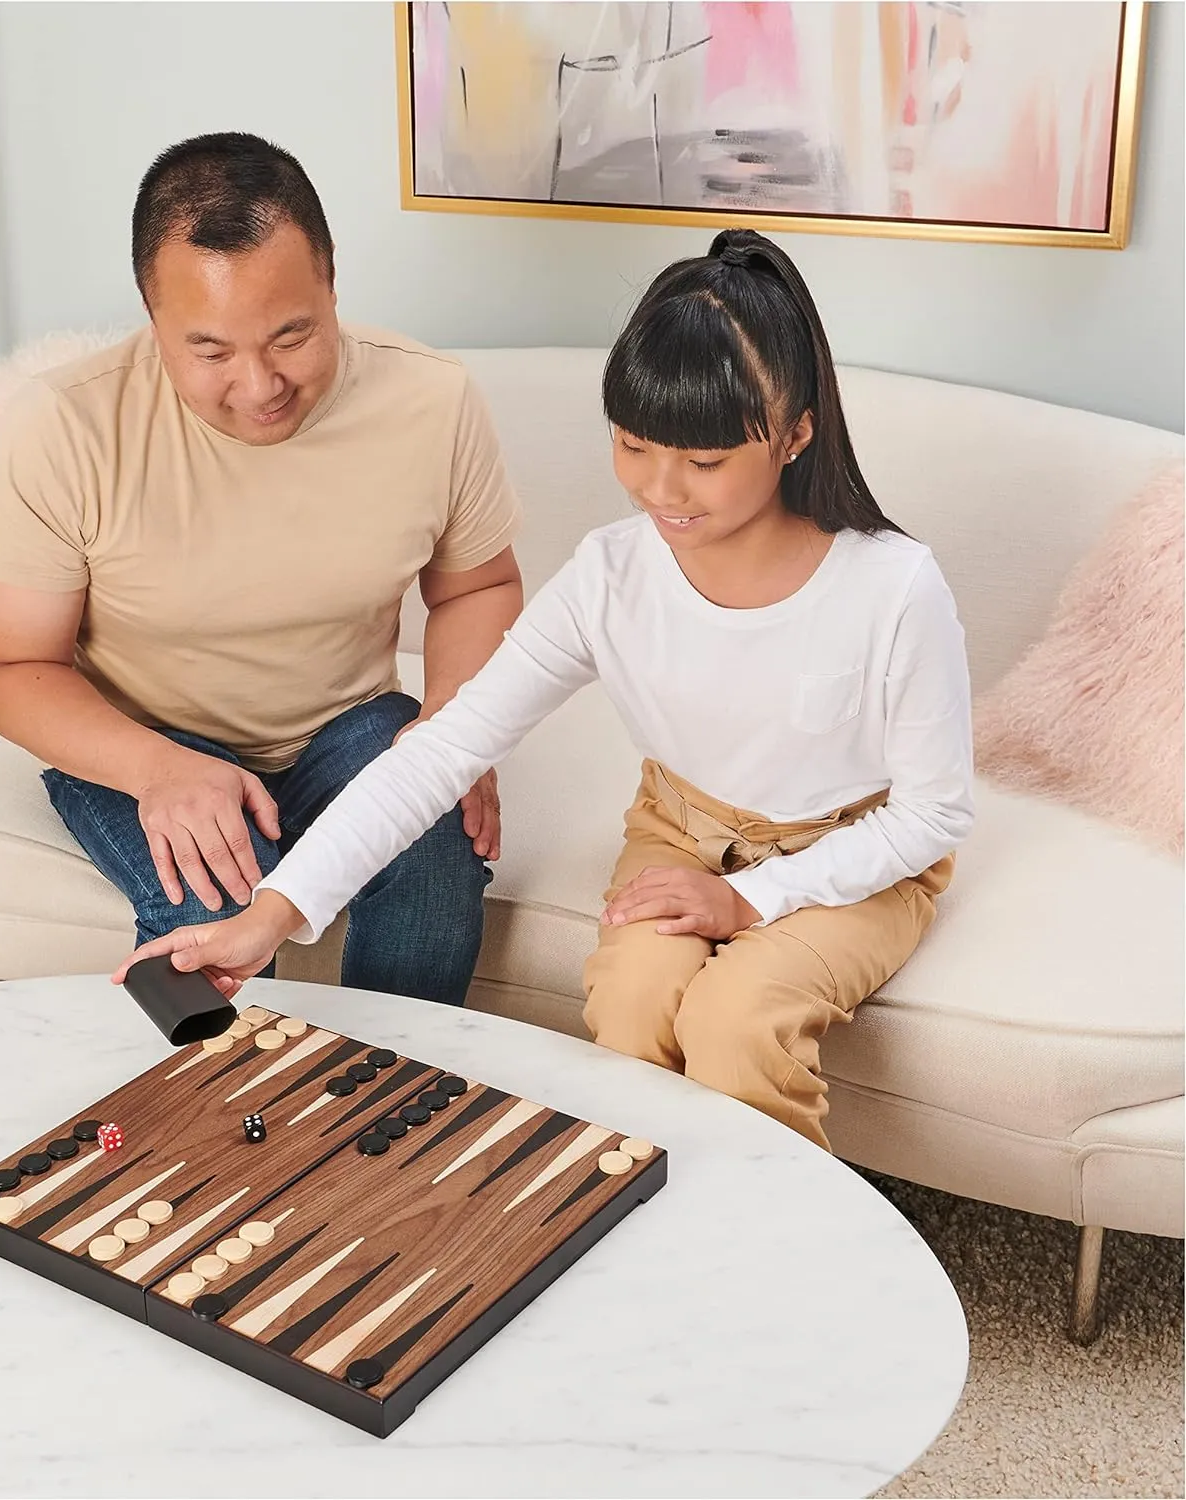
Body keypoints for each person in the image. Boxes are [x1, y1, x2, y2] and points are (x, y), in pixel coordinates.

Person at [115, 227, 976, 1151]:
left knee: (735, 1022)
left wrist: (752, 902)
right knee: (633, 1006)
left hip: (854, 856)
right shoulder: (611, 574)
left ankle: (765, 1248)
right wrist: (270, 917)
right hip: (680, 828)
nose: (662, 488)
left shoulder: (892, 586)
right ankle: (654, 1213)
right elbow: (445, 750)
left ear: (796, 434)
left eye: (706, 460)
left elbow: (932, 816)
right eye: (635, 445)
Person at [0, 132, 524, 1007]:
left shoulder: (432, 400)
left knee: (434, 849)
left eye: (293, 334)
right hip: (144, 733)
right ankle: (189, 1125)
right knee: (210, 893)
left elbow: (477, 586)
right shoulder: (64, 427)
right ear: (154, 322)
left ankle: (389, 1107)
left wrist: (454, 726)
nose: (261, 383)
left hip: (346, 723)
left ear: (332, 285)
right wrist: (158, 773)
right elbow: (6, 666)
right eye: (212, 352)